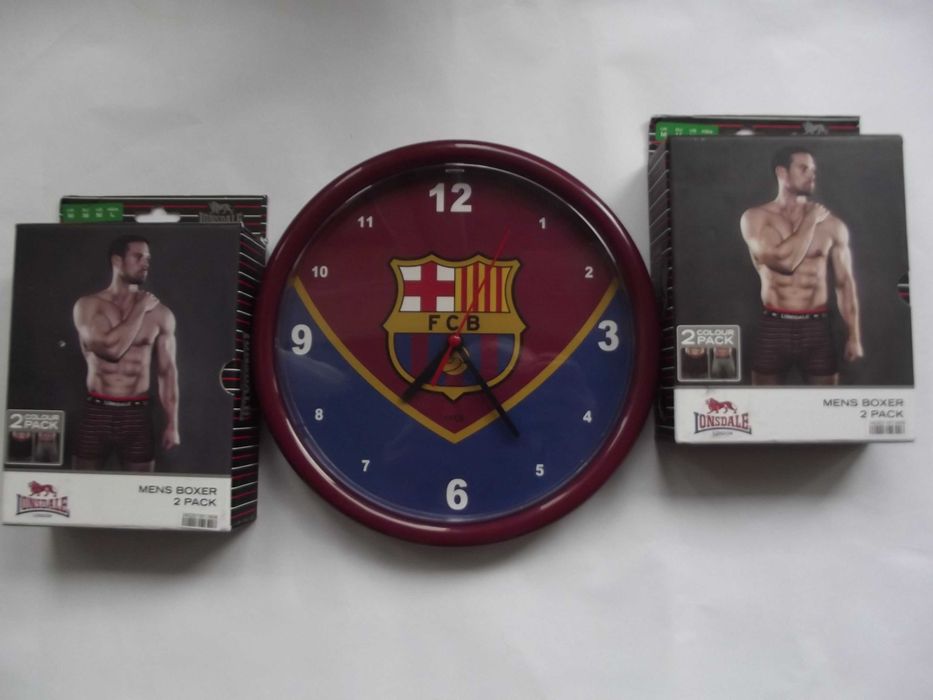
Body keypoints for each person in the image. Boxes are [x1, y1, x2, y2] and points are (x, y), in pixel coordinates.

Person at [740, 146, 863, 385]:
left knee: (823, 405)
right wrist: (809, 221)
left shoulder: (832, 225)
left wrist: (854, 336)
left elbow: (844, 284)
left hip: (817, 328)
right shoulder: (756, 218)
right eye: (804, 168)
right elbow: (784, 263)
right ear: (782, 172)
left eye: (813, 170)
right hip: (774, 326)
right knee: (764, 406)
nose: (812, 175)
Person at [72, 235, 179, 470]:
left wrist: (173, 423)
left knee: (140, 489)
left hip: (137, 415)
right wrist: (139, 308)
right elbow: (110, 350)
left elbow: (167, 372)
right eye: (138, 257)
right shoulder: (88, 305)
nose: (145, 263)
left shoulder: (161, 314)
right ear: (117, 261)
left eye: (148, 258)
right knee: (81, 487)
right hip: (97, 411)